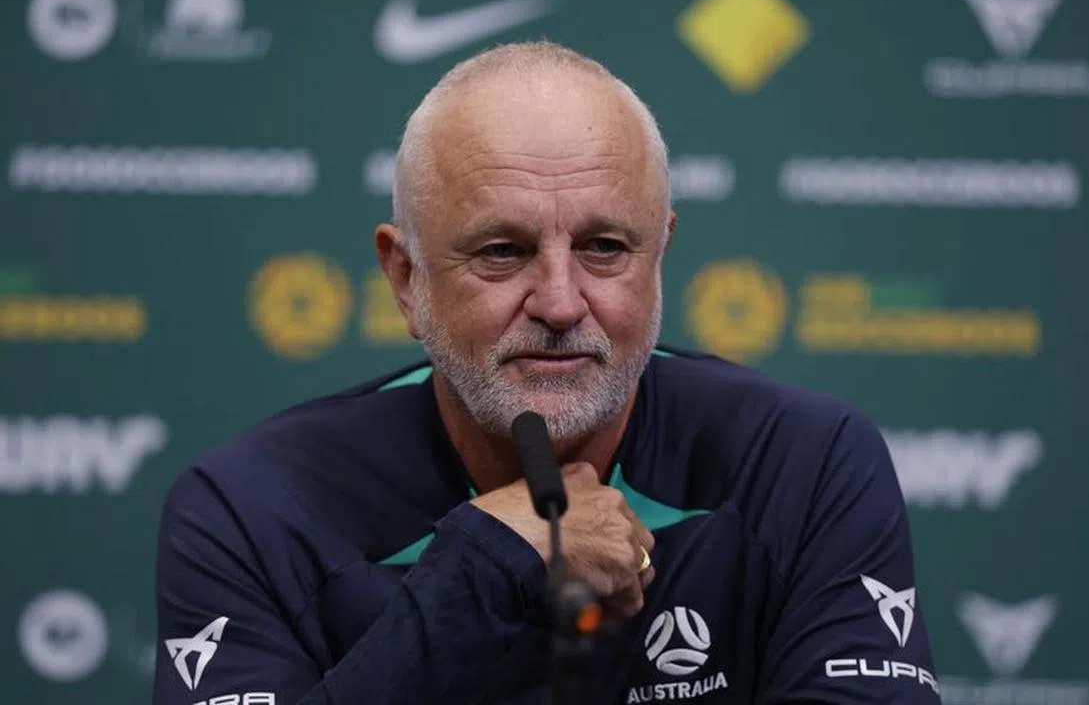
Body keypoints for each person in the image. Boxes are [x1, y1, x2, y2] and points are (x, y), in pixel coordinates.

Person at [152, 40, 941, 704]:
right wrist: (491, 562)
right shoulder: (251, 510)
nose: (561, 303)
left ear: (659, 257)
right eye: (503, 252)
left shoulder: (800, 461)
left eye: (605, 248)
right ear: (407, 278)